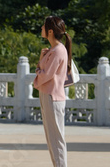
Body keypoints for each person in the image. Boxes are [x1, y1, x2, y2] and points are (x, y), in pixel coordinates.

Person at [33, 16, 72, 167]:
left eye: (43, 26)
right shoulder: (53, 50)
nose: (41, 28)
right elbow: (44, 71)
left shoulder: (58, 51)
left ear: (50, 31)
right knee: (52, 138)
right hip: (48, 96)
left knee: (56, 139)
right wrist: (41, 60)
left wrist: (37, 70)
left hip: (52, 97)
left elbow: (45, 75)